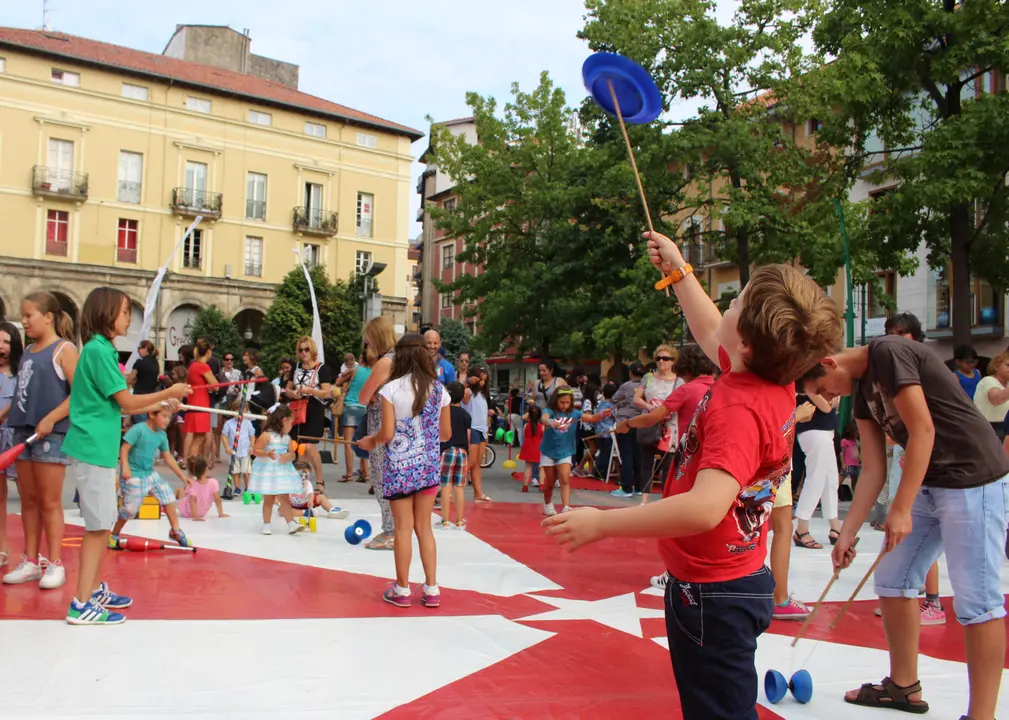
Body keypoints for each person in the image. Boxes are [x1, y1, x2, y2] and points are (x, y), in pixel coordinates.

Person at [543, 230, 842, 719]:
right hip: (730, 581)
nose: (726, 306)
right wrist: (680, 271)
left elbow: (705, 508)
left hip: (713, 595)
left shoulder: (739, 407)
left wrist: (602, 523)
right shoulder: (768, 377)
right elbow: (711, 328)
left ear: (746, 341)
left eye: (736, 302)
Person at [800, 335, 1009, 717]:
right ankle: (903, 686)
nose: (829, 398)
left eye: (823, 390)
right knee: (893, 578)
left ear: (829, 363)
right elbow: (873, 468)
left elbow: (923, 430)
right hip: (932, 481)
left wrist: (901, 509)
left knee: (977, 600)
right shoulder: (860, 391)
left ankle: (982, 714)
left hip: (973, 479)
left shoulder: (888, 353)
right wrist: (847, 532)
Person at [63, 287, 190, 625]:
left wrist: (162, 403)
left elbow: (123, 405)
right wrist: (169, 391)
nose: (128, 319)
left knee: (102, 526)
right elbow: (127, 402)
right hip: (93, 448)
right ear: (106, 314)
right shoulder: (98, 351)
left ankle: (92, 590)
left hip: (99, 449)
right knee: (98, 528)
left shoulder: (101, 350)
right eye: (123, 312)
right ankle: (80, 603)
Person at [358, 333, 451, 608]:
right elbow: (446, 434)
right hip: (428, 468)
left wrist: (370, 441)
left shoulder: (391, 389)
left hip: (399, 469)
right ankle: (432, 589)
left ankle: (402, 589)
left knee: (402, 529)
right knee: (425, 528)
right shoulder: (439, 390)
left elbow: (387, 433)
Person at [3, 292, 78, 589]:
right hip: (23, 432)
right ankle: (31, 561)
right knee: (29, 500)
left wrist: (51, 418)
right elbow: (23, 393)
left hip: (50, 435)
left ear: (48, 317)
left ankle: (55, 563)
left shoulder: (64, 350)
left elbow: (79, 394)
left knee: (49, 501)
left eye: (28, 315)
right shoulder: (29, 351)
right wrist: (4, 414)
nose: (23, 322)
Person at [110, 407, 191, 548]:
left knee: (168, 496)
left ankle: (175, 530)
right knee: (130, 510)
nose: (167, 420)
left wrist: (182, 476)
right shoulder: (138, 429)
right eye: (164, 416)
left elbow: (168, 457)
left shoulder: (161, 435)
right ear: (152, 414)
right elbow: (124, 448)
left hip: (149, 473)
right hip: (134, 474)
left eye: (169, 417)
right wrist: (125, 467)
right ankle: (114, 534)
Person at [357, 316, 398, 550]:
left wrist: (372, 394)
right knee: (396, 478)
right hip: (402, 423)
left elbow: (363, 396)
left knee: (381, 477)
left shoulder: (385, 362)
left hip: (382, 421)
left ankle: (391, 531)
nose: (368, 344)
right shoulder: (404, 358)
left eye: (369, 339)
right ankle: (397, 529)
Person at [539, 388, 610, 516]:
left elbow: (591, 418)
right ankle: (548, 504)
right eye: (562, 402)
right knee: (550, 482)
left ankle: (566, 507)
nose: (564, 405)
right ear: (556, 400)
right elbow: (544, 418)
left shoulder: (575, 413)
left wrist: (602, 414)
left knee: (565, 478)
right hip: (548, 451)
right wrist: (550, 422)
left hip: (565, 451)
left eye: (567, 402)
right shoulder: (550, 411)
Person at [792, 390, 842, 549]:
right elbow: (826, 406)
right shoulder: (807, 379)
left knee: (830, 479)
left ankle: (835, 526)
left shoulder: (820, 379)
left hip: (825, 430)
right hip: (812, 429)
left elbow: (835, 401)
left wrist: (832, 396)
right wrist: (830, 397)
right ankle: (801, 528)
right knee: (816, 478)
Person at [249, 404, 307, 536]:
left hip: (282, 472)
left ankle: (291, 523)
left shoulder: (287, 438)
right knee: (269, 499)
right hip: (269, 472)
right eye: (291, 423)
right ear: (284, 421)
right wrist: (267, 454)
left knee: (284, 498)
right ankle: (266, 524)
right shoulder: (266, 435)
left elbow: (293, 454)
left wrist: (288, 456)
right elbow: (256, 450)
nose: (291, 426)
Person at [286, 336, 332, 492]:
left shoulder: (321, 368)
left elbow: (327, 392)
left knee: (309, 445)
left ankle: (319, 480)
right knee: (297, 446)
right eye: (300, 350)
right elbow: (288, 388)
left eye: (306, 349)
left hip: (313, 409)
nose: (303, 352)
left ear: (312, 350)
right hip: (297, 408)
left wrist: (311, 391)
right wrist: (292, 393)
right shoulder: (296, 367)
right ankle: (302, 480)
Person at [0, 321, 24, 569]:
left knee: (28, 496)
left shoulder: (22, 374)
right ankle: (1, 548)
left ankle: (33, 552)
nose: (1, 347)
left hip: (15, 436)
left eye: (6, 341)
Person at [438, 381, 470, 529]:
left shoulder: (443, 412)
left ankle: (445, 520)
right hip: (462, 451)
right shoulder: (466, 415)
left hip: (447, 450)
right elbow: (468, 436)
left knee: (445, 486)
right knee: (459, 487)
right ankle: (459, 520)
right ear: (463, 396)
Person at [610, 362, 646, 498]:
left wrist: (623, 402)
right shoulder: (646, 386)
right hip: (640, 423)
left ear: (631, 373)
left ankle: (626, 488)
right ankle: (639, 487)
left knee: (626, 456)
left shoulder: (626, 386)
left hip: (625, 423)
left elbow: (614, 399)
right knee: (638, 456)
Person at [181, 339, 215, 464]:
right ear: (208, 352)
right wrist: (210, 386)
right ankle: (193, 462)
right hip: (201, 403)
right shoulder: (203, 366)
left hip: (193, 401)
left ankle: (186, 460)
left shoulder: (193, 366)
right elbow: (215, 385)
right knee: (199, 437)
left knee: (191, 434)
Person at [339, 353, 371, 484]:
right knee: (363, 440)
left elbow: (338, 382)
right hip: (365, 407)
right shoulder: (373, 372)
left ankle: (349, 474)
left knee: (348, 442)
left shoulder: (354, 370)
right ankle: (365, 472)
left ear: (361, 359)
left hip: (351, 406)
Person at [463, 366, 493, 503]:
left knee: (477, 464)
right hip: (472, 428)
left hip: (481, 429)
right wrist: (468, 382)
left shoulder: (483, 394)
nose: (482, 382)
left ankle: (478, 493)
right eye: (480, 378)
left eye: (484, 379)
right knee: (470, 462)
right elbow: (460, 393)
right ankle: (448, 490)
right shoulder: (468, 391)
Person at [221, 398, 256, 496]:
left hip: (245, 450)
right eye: (237, 411)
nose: (239, 414)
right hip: (233, 451)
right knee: (235, 471)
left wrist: (252, 446)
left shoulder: (248, 423)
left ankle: (248, 488)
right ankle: (237, 488)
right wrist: (227, 447)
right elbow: (224, 436)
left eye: (243, 411)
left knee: (246, 471)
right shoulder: (228, 423)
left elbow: (252, 435)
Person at [176, 456, 227, 521]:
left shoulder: (191, 484)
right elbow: (217, 499)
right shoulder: (213, 482)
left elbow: (193, 500)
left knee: (179, 490)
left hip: (187, 512)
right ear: (206, 469)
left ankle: (167, 504)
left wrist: (195, 516)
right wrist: (221, 513)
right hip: (202, 512)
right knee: (184, 492)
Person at [973, 351, 1009, 442]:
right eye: (1008, 365)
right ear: (996, 366)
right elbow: (996, 399)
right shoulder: (988, 381)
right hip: (991, 428)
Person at [126, 340, 160, 424]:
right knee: (148, 423)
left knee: (141, 423)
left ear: (146, 349)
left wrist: (134, 381)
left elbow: (129, 379)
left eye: (139, 348)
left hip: (139, 397)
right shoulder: (156, 363)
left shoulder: (140, 362)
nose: (138, 350)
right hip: (152, 397)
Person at [520, 404, 543, 492]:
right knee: (541, 467)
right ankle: (541, 486)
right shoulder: (542, 427)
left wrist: (530, 413)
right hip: (539, 448)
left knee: (528, 467)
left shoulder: (526, 425)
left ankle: (525, 486)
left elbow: (524, 435)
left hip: (528, 447)